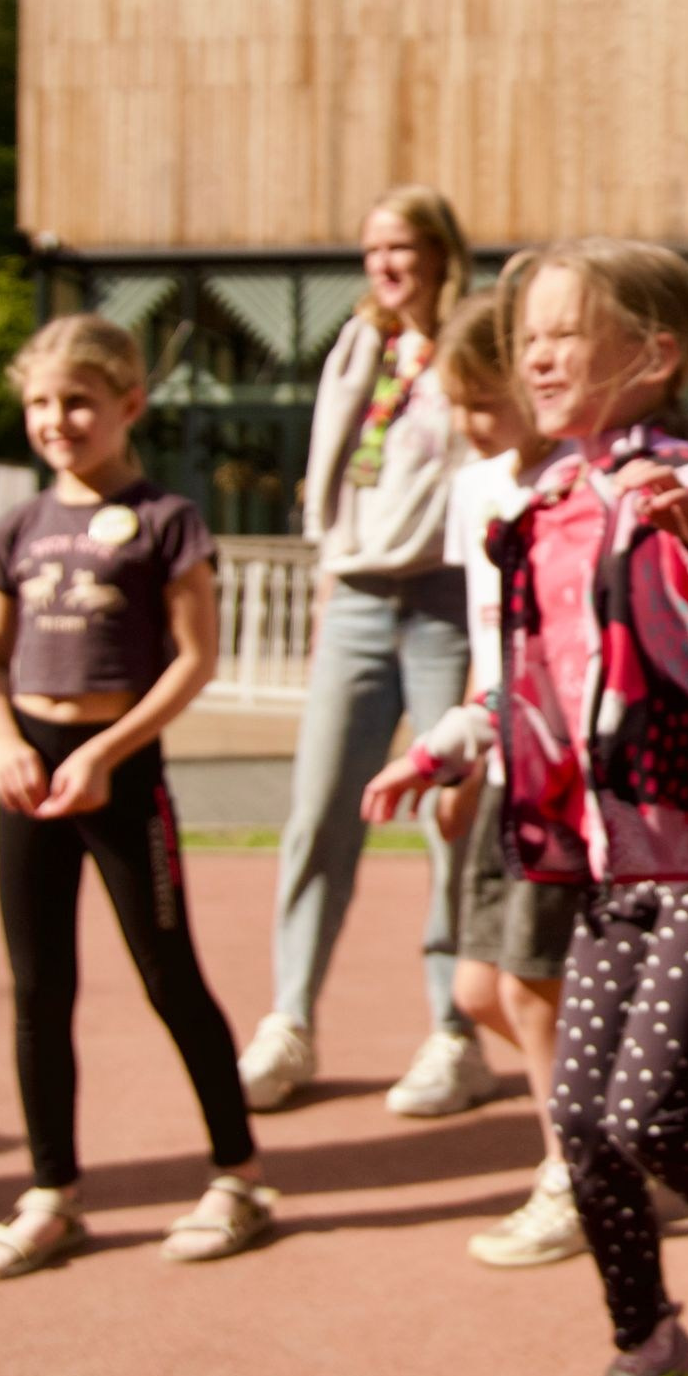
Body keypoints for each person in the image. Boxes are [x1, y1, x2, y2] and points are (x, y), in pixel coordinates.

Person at [364, 240, 688, 1376]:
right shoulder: (538, 504)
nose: (533, 351)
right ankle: (650, 1351)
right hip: (602, 858)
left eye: (564, 331)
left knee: (646, 1105)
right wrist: (446, 746)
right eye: (527, 330)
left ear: (654, 354)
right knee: (579, 1120)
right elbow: (519, 677)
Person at [0, 314, 270, 1282]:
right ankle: (53, 1191)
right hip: (29, 776)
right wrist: (6, 739)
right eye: (41, 403)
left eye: (79, 401)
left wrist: (105, 750)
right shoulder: (14, 529)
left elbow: (194, 659)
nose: (59, 420)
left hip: (122, 771)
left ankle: (239, 1175)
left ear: (129, 404)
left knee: (168, 975)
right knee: (38, 987)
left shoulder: (168, 519)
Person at [237, 186, 485, 1116]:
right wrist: (326, 592)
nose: (385, 264)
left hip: (445, 599)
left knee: (449, 820)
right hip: (355, 598)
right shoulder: (356, 347)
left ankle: (453, 1031)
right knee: (317, 813)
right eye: (373, 248)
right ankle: (290, 1019)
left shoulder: (471, 343)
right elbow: (335, 481)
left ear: (439, 252)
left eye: (403, 246)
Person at [365, 291, 587, 1269]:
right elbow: (486, 633)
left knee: (528, 984)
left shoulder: (584, 479)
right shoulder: (475, 487)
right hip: (495, 751)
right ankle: (603, 1129)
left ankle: (572, 1174)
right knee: (479, 988)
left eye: (482, 400)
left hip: (568, 768)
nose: (468, 422)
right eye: (455, 403)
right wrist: (453, 750)